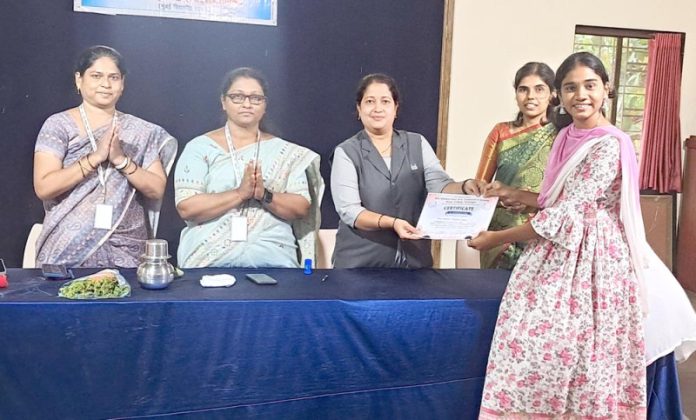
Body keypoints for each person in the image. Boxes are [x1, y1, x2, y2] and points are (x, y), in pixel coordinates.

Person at [470, 52, 696, 418]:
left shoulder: (610, 143)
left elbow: (568, 212)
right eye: (570, 87)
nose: (581, 95)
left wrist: (496, 237)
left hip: (595, 257)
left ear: (606, 88)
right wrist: (513, 194)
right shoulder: (565, 136)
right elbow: (553, 200)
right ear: (560, 95)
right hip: (555, 244)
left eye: (590, 85)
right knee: (525, 339)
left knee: (578, 348)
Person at [33, 45, 177, 268]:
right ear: (79, 79)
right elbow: (44, 187)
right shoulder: (58, 125)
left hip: (127, 247)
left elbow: (156, 189)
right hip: (67, 246)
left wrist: (121, 160)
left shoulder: (142, 131)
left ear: (122, 83)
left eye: (114, 77)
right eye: (96, 76)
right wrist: (96, 157)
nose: (106, 84)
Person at [175, 67, 323, 268]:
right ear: (223, 102)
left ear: (265, 105)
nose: (247, 104)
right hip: (207, 261)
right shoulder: (199, 147)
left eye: (255, 98)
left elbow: (301, 207)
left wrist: (265, 195)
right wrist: (239, 194)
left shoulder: (286, 152)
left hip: (275, 261)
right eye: (237, 97)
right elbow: (186, 207)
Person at [331, 73, 477, 268]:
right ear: (359, 109)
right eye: (370, 101)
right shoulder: (346, 152)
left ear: (395, 108)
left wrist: (465, 186)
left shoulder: (417, 143)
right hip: (360, 264)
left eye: (385, 101)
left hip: (414, 262)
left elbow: (439, 185)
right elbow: (350, 212)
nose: (377, 108)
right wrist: (392, 223)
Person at [471, 62, 558, 269]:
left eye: (539, 89)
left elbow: (564, 193)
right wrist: (502, 198)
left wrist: (528, 202)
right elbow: (480, 185)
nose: (530, 97)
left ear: (552, 94)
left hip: (541, 231)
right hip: (499, 234)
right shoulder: (501, 132)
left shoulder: (561, 135)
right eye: (523, 90)